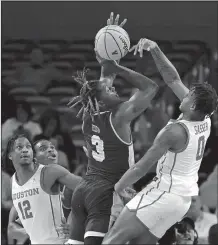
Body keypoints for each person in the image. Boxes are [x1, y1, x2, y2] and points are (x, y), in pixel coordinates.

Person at [102, 38, 218, 244]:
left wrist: (118, 187)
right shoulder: (205, 118)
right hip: (182, 202)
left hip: (164, 193)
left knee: (112, 240)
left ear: (193, 106)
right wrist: (155, 49)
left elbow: (141, 167)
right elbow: (173, 79)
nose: (183, 95)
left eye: (188, 96)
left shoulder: (174, 132)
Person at [65, 13, 158, 245]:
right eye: (110, 91)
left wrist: (108, 53)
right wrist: (115, 65)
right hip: (106, 194)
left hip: (84, 190)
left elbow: (103, 82)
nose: (115, 90)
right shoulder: (120, 116)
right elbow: (150, 88)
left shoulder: (88, 113)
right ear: (103, 100)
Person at [6, 134, 81, 244]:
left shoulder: (64, 183)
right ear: (34, 157)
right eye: (43, 149)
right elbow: (11, 227)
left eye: (52, 147)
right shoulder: (19, 183)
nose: (51, 150)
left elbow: (88, 190)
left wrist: (74, 223)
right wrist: (28, 234)